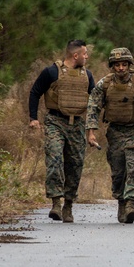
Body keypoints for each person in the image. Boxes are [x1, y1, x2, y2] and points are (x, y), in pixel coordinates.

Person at [28, 40, 95, 223]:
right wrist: (33, 118)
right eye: (85, 53)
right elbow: (35, 92)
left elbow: (95, 101)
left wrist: (92, 129)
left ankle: (68, 205)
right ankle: (56, 203)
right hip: (55, 121)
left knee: (75, 165)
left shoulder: (87, 76)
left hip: (77, 124)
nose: (87, 57)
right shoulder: (51, 72)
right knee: (54, 160)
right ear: (75, 55)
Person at [85, 48, 134, 223]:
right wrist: (91, 132)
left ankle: (130, 203)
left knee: (133, 168)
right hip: (114, 133)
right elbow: (93, 106)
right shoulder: (105, 84)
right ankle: (121, 202)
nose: (121, 68)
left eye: (124, 64)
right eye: (117, 65)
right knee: (118, 171)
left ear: (129, 65)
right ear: (112, 66)